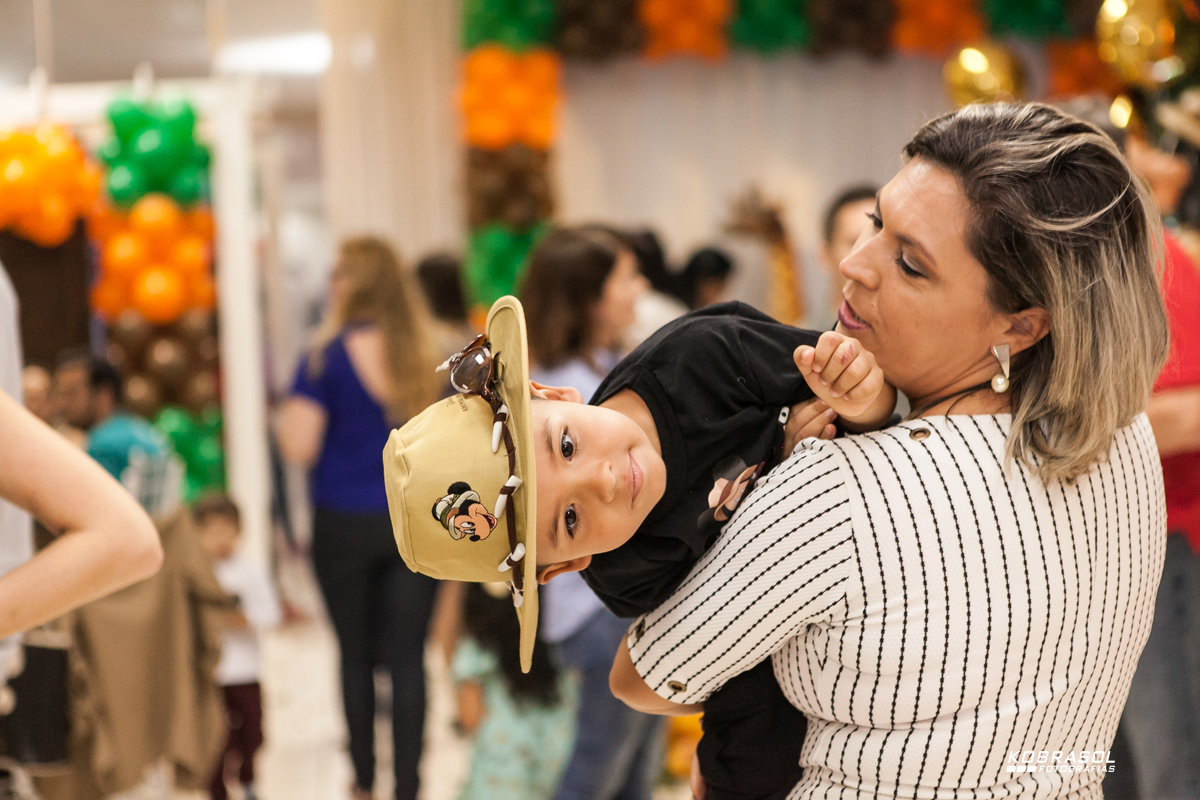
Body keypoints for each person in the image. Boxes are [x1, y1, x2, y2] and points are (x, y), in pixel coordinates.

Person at [606, 102, 1169, 800]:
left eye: (909, 264)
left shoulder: (843, 490)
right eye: (877, 221)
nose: (854, 264)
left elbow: (650, 674)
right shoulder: (1128, 442)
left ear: (1022, 324)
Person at [382, 291, 891, 800]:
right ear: (569, 565)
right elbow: (711, 663)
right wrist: (781, 467)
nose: (602, 480)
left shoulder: (702, 358)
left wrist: (859, 407)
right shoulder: (622, 574)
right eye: (572, 518)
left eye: (566, 446)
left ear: (558, 395)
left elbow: (872, 398)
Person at [278, 236, 443, 800]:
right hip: (417, 524)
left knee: (353, 655)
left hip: (342, 521)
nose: (332, 284)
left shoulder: (323, 358)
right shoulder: (430, 355)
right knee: (408, 659)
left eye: (340, 273)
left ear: (358, 283)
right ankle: (410, 787)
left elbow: (300, 446)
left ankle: (364, 783)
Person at [519, 226, 662, 800]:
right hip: (599, 612)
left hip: (612, 608)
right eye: (625, 277)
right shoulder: (574, 391)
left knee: (633, 768)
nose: (639, 289)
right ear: (589, 297)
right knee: (597, 770)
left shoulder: (603, 368)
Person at [453, 582, 576, 800]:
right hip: (554, 765)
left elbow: (469, 716)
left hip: (498, 777)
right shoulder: (564, 651)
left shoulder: (478, 650)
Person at [195, 493, 281, 800]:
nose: (220, 540)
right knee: (215, 738)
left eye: (226, 531)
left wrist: (241, 620)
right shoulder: (196, 577)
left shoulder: (251, 572)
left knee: (253, 734)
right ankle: (216, 789)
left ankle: (247, 777)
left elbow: (271, 615)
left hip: (246, 670)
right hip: (210, 674)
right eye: (212, 532)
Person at [816, 185, 879, 329]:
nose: (869, 255)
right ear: (825, 257)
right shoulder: (798, 343)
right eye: (856, 242)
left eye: (878, 241)